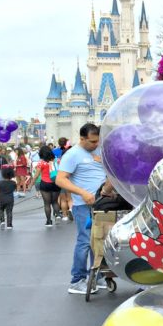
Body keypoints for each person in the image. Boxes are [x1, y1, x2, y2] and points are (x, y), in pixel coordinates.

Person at [55, 123, 105, 294]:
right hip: (83, 205)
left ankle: (96, 275)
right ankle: (77, 280)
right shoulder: (73, 155)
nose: (95, 144)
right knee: (85, 241)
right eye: (92, 142)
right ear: (82, 138)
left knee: (98, 241)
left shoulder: (98, 151)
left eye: (97, 141)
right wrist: (82, 193)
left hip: (100, 203)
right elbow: (61, 180)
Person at [34, 144, 61, 226]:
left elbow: (36, 175)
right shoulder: (57, 160)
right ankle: (57, 216)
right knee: (55, 202)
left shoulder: (41, 163)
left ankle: (49, 221)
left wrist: (31, 183)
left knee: (47, 203)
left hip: (45, 184)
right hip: (56, 183)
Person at [0, 165, 16, 229]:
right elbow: (14, 189)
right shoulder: (13, 183)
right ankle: (9, 225)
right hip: (10, 199)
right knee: (9, 211)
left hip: (1, 199)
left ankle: (2, 221)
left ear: (3, 174)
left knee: (0, 209)